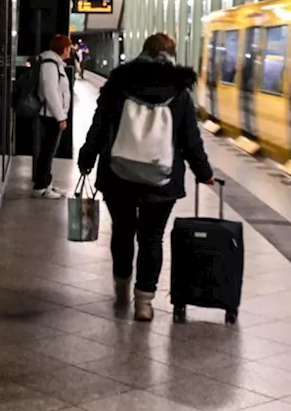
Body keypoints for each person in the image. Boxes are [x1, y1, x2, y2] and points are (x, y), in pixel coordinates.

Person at [78, 33, 215, 320]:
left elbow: (99, 126)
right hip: (162, 181)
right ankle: (144, 302)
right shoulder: (180, 92)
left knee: (123, 232)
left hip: (118, 176)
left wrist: (87, 158)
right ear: (172, 56)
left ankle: (122, 289)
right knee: (152, 238)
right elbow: (191, 139)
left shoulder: (118, 84)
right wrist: (204, 173)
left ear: (142, 52)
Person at [32, 34, 73, 199]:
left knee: (49, 151)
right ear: (64, 48)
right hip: (50, 116)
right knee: (47, 152)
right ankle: (41, 186)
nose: (70, 50)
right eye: (69, 47)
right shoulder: (50, 64)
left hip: (52, 115)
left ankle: (47, 183)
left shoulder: (54, 63)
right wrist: (60, 116)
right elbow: (50, 92)